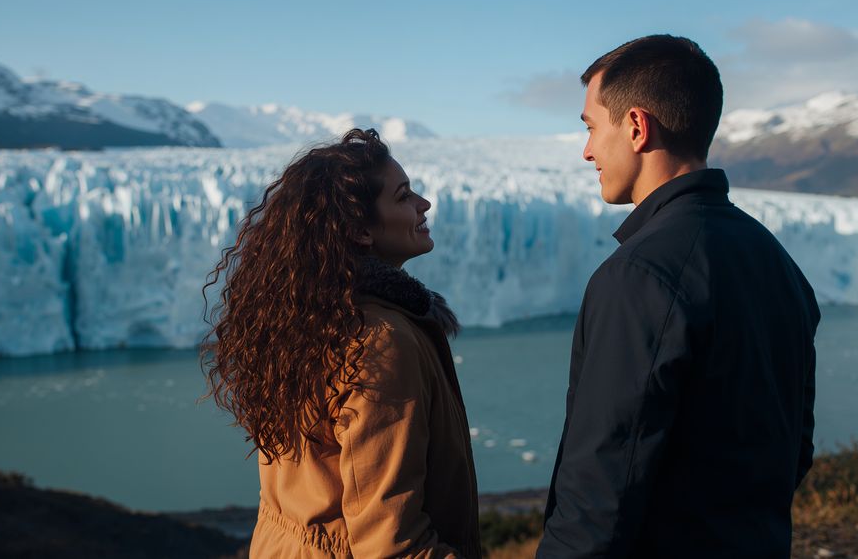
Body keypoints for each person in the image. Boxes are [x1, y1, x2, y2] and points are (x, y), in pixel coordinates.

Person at [538, 35, 820, 558]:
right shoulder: (775, 261)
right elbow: (793, 450)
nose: (587, 151)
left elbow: (601, 488)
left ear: (637, 127)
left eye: (591, 128)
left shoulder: (639, 275)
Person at [201, 129, 480, 558]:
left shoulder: (306, 319)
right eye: (404, 196)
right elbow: (390, 544)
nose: (423, 204)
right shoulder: (379, 342)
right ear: (361, 231)